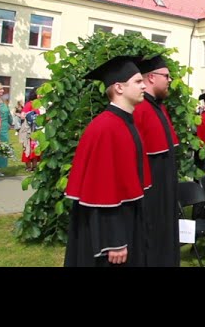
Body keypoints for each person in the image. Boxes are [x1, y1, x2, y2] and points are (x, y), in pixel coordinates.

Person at [64, 56, 152, 267]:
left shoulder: (124, 122)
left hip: (126, 221)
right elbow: (103, 190)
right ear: (119, 87)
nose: (144, 85)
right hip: (108, 235)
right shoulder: (106, 128)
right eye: (138, 81)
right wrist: (114, 241)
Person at [133, 55, 181, 267]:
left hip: (165, 187)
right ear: (151, 77)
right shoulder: (141, 108)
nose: (169, 80)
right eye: (166, 76)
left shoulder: (159, 108)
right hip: (151, 190)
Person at [19, 88, 42, 172]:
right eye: (39, 94)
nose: (41, 95)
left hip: (38, 129)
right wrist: (31, 116)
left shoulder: (42, 104)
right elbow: (22, 115)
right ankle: (28, 166)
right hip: (29, 128)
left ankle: (35, 165)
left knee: (36, 146)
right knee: (28, 146)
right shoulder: (29, 104)